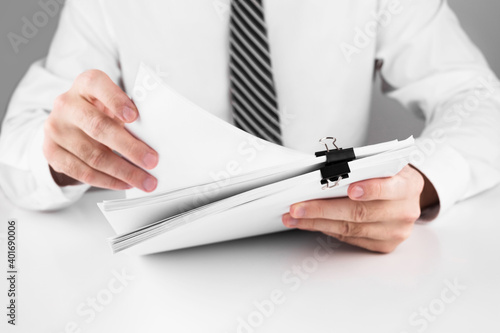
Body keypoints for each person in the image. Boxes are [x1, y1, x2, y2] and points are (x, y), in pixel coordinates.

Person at [0, 0, 499, 253]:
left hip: (336, 261)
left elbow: (482, 102)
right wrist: (64, 155)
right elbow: (18, 147)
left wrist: (421, 182)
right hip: (166, 280)